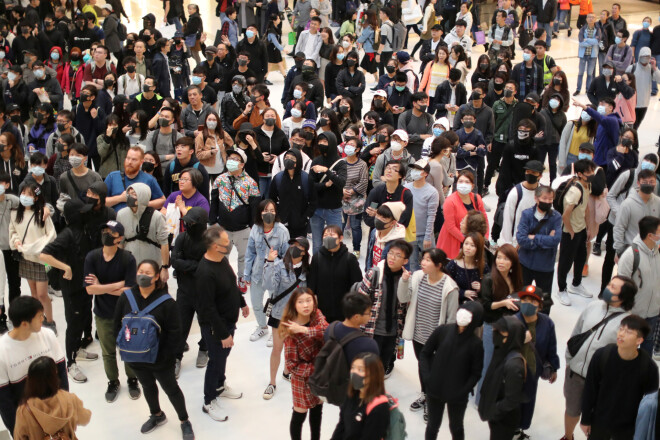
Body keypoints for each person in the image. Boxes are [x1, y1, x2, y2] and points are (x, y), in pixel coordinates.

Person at [113, 260, 195, 439]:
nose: (143, 275)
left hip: (160, 359)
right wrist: (123, 347)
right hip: (135, 358)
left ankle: (184, 420)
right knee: (147, 386)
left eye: (148, 273)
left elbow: (175, 332)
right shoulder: (126, 297)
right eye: (141, 271)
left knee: (171, 389)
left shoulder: (166, 302)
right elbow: (116, 325)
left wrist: (167, 357)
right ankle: (156, 415)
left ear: (157, 276)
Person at [561, 275, 636, 440]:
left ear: (623, 297)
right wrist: (570, 360)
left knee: (596, 419)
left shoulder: (628, 323)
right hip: (576, 373)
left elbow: (625, 358)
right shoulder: (593, 306)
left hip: (600, 382)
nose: (607, 288)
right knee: (572, 409)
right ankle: (568, 436)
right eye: (609, 284)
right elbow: (577, 332)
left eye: (613, 287)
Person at [39, 200, 99, 385]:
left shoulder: (85, 230)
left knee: (82, 318)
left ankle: (78, 351)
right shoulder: (66, 235)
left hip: (84, 286)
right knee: (73, 324)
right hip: (71, 288)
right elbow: (44, 256)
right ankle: (69, 363)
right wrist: (65, 267)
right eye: (83, 212)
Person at [83, 220, 140, 403]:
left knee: (129, 349)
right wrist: (117, 285)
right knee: (108, 352)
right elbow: (90, 290)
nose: (107, 234)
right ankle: (113, 381)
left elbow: (130, 290)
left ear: (120, 238)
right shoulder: (92, 257)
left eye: (111, 232)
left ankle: (132, 379)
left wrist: (101, 286)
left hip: (126, 314)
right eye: (105, 230)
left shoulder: (128, 259)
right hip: (102, 313)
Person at [398, 248, 459, 420]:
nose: (422, 263)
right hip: (418, 335)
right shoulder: (418, 277)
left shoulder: (450, 287)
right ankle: (426, 394)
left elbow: (452, 319)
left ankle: (434, 402)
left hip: (437, 340)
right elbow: (403, 298)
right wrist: (404, 281)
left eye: (427, 260)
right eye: (422, 259)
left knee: (434, 371)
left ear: (439, 265)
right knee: (423, 366)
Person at [196, 225, 248, 421]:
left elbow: (231, 283)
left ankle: (220, 385)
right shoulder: (205, 273)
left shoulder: (222, 260)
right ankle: (208, 401)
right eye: (226, 243)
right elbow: (208, 309)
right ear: (216, 246)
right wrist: (223, 334)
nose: (230, 245)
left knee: (223, 357)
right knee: (216, 361)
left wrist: (241, 302)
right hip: (216, 327)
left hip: (228, 320)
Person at [581, 315, 658, 440]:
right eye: (621, 329)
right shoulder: (602, 355)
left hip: (628, 429)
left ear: (639, 340)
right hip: (599, 422)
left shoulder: (649, 368)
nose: (621, 334)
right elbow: (590, 388)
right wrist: (585, 419)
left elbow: (651, 405)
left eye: (628, 332)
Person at [0, 297, 69, 434]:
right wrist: (18, 431)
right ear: (25, 324)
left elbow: (61, 373)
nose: (43, 319)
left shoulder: (48, 335)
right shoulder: (3, 350)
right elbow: (4, 401)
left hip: (55, 415)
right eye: (39, 317)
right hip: (27, 423)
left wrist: (64, 411)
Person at [421, 301, 484, 440]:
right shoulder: (442, 331)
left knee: (456, 427)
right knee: (433, 425)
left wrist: (463, 391)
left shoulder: (476, 344)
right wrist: (427, 378)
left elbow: (476, 373)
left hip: (458, 396)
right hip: (434, 390)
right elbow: (425, 353)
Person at [261, 237, 310, 399]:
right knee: (277, 348)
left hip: (298, 318)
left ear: (304, 252)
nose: (293, 248)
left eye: (298, 246)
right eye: (292, 245)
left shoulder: (307, 270)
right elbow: (268, 286)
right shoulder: (278, 266)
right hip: (279, 316)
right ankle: (272, 382)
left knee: (294, 349)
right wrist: (269, 262)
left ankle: (287, 372)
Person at [357, 239, 412, 374]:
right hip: (372, 329)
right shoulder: (375, 273)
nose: (392, 257)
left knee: (383, 364)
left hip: (393, 331)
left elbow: (406, 304)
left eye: (398, 255)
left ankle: (377, 389)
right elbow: (359, 300)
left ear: (405, 261)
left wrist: (405, 282)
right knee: (368, 365)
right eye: (390, 253)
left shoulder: (406, 279)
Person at [281, 288, 328, 440]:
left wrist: (304, 330)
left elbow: (326, 330)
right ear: (294, 305)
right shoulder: (290, 331)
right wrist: (318, 368)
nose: (306, 305)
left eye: (309, 300)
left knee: (317, 410)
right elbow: (292, 365)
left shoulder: (316, 314)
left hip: (320, 375)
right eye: (300, 302)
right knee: (299, 414)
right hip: (303, 379)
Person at [9, 183, 56, 331]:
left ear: (36, 198)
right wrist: (16, 241)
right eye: (23, 193)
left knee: (42, 294)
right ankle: (38, 320)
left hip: (43, 259)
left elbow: (51, 234)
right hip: (26, 257)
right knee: (34, 293)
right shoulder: (15, 213)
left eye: (29, 194)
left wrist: (35, 246)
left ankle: (50, 321)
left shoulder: (42, 213)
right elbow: (13, 231)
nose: (25, 197)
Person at [514, 286, 560, 439]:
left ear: (540, 306)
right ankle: (510, 431)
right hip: (512, 373)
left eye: (533, 301)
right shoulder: (512, 322)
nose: (527, 303)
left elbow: (551, 347)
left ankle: (518, 430)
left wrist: (553, 368)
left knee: (527, 403)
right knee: (511, 404)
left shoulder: (547, 323)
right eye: (525, 299)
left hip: (533, 372)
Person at [12, 356, 91, 440]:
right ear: (55, 375)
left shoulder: (24, 412)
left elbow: (18, 438)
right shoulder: (70, 399)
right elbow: (85, 418)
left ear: (30, 380)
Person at [244, 199, 290, 343]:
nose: (268, 213)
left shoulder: (282, 230)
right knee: (256, 303)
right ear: (260, 213)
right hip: (257, 273)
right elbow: (250, 252)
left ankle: (275, 330)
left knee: (275, 304)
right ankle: (262, 327)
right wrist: (246, 273)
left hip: (274, 273)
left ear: (276, 213)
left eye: (272, 211)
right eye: (265, 211)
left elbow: (287, 255)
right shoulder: (256, 229)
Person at [171, 208, 209, 376]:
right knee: (180, 325)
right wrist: (193, 265)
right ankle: (176, 357)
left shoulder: (209, 241)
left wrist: (186, 264)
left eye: (192, 222)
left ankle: (204, 349)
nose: (187, 225)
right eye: (187, 222)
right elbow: (174, 262)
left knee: (206, 323)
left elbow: (206, 267)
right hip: (184, 291)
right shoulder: (181, 238)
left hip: (204, 291)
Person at [478, 316, 527, 440]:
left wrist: (493, 411)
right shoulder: (501, 350)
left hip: (504, 419)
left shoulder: (514, 365)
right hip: (496, 413)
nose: (496, 334)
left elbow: (511, 400)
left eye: (501, 332)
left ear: (511, 336)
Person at [617, 216, 660, 356]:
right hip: (633, 314)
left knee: (647, 351)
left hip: (653, 313)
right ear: (650, 235)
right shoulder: (630, 255)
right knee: (628, 352)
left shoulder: (657, 253)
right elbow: (621, 287)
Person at [556, 159, 596, 306]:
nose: (592, 174)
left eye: (592, 171)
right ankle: (561, 289)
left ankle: (576, 284)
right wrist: (571, 231)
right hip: (570, 231)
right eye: (588, 172)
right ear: (579, 174)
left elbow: (585, 207)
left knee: (581, 257)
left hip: (581, 229)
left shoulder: (588, 185)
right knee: (565, 262)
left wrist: (588, 227)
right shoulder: (575, 191)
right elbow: (565, 215)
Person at [308, 225, 362, 323]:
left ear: (341, 238)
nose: (328, 237)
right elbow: (312, 285)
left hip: (344, 312)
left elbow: (357, 285)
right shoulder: (317, 258)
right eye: (325, 235)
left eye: (332, 234)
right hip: (322, 313)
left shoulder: (349, 259)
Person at [330, 352, 391, 440]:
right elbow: (342, 425)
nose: (354, 373)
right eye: (353, 368)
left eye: (361, 370)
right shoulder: (351, 394)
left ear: (373, 375)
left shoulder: (379, 408)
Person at [117, 183, 170, 274]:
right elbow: (120, 241)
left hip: (152, 264)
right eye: (128, 193)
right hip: (130, 264)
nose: (129, 196)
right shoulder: (121, 214)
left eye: (134, 194)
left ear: (142, 197)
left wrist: (164, 268)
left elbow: (164, 243)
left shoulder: (157, 216)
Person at [436, 171, 488, 259]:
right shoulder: (450, 201)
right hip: (453, 241)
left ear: (472, 186)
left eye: (467, 182)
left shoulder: (476, 198)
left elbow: (484, 219)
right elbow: (450, 227)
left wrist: (484, 238)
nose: (463, 184)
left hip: (473, 242)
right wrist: (468, 242)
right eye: (460, 181)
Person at [612, 169, 660, 258]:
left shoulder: (658, 202)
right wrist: (619, 251)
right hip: (631, 251)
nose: (648, 184)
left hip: (652, 252)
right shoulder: (627, 204)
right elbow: (619, 228)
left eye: (651, 182)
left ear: (656, 183)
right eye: (645, 182)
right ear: (638, 183)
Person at [498, 160, 544, 247]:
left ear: (540, 175)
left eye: (533, 172)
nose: (530, 174)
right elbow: (508, 220)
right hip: (517, 243)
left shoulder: (543, 192)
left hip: (537, 242)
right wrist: (507, 243)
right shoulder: (516, 193)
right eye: (527, 171)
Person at [404, 159, 439, 270]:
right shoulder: (406, 188)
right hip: (410, 234)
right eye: (413, 169)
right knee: (412, 266)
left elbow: (431, 216)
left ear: (425, 173)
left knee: (431, 264)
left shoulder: (432, 192)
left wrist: (428, 236)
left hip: (425, 235)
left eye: (418, 169)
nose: (414, 171)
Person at [575, 13, 602, 96]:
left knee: (590, 73)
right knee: (580, 73)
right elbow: (581, 42)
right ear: (586, 19)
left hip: (592, 55)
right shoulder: (583, 29)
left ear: (595, 19)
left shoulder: (598, 29)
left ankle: (588, 90)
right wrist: (591, 41)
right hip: (583, 55)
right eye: (589, 17)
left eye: (593, 17)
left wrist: (587, 40)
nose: (591, 19)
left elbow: (597, 41)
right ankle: (578, 89)